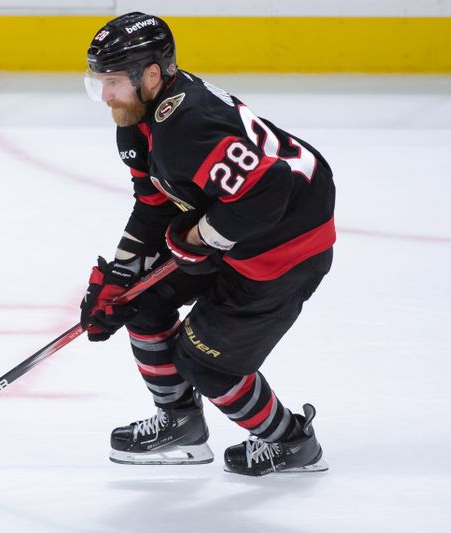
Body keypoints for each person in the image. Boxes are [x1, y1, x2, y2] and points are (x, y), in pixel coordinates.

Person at [79, 12, 335, 476]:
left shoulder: (187, 126)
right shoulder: (139, 120)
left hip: (285, 248)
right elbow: (154, 204)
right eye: (98, 82)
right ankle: (180, 424)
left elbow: (269, 190)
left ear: (151, 74)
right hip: (238, 225)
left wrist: (201, 237)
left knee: (208, 366)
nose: (106, 96)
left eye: (113, 82)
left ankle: (292, 441)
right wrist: (120, 273)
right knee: (141, 300)